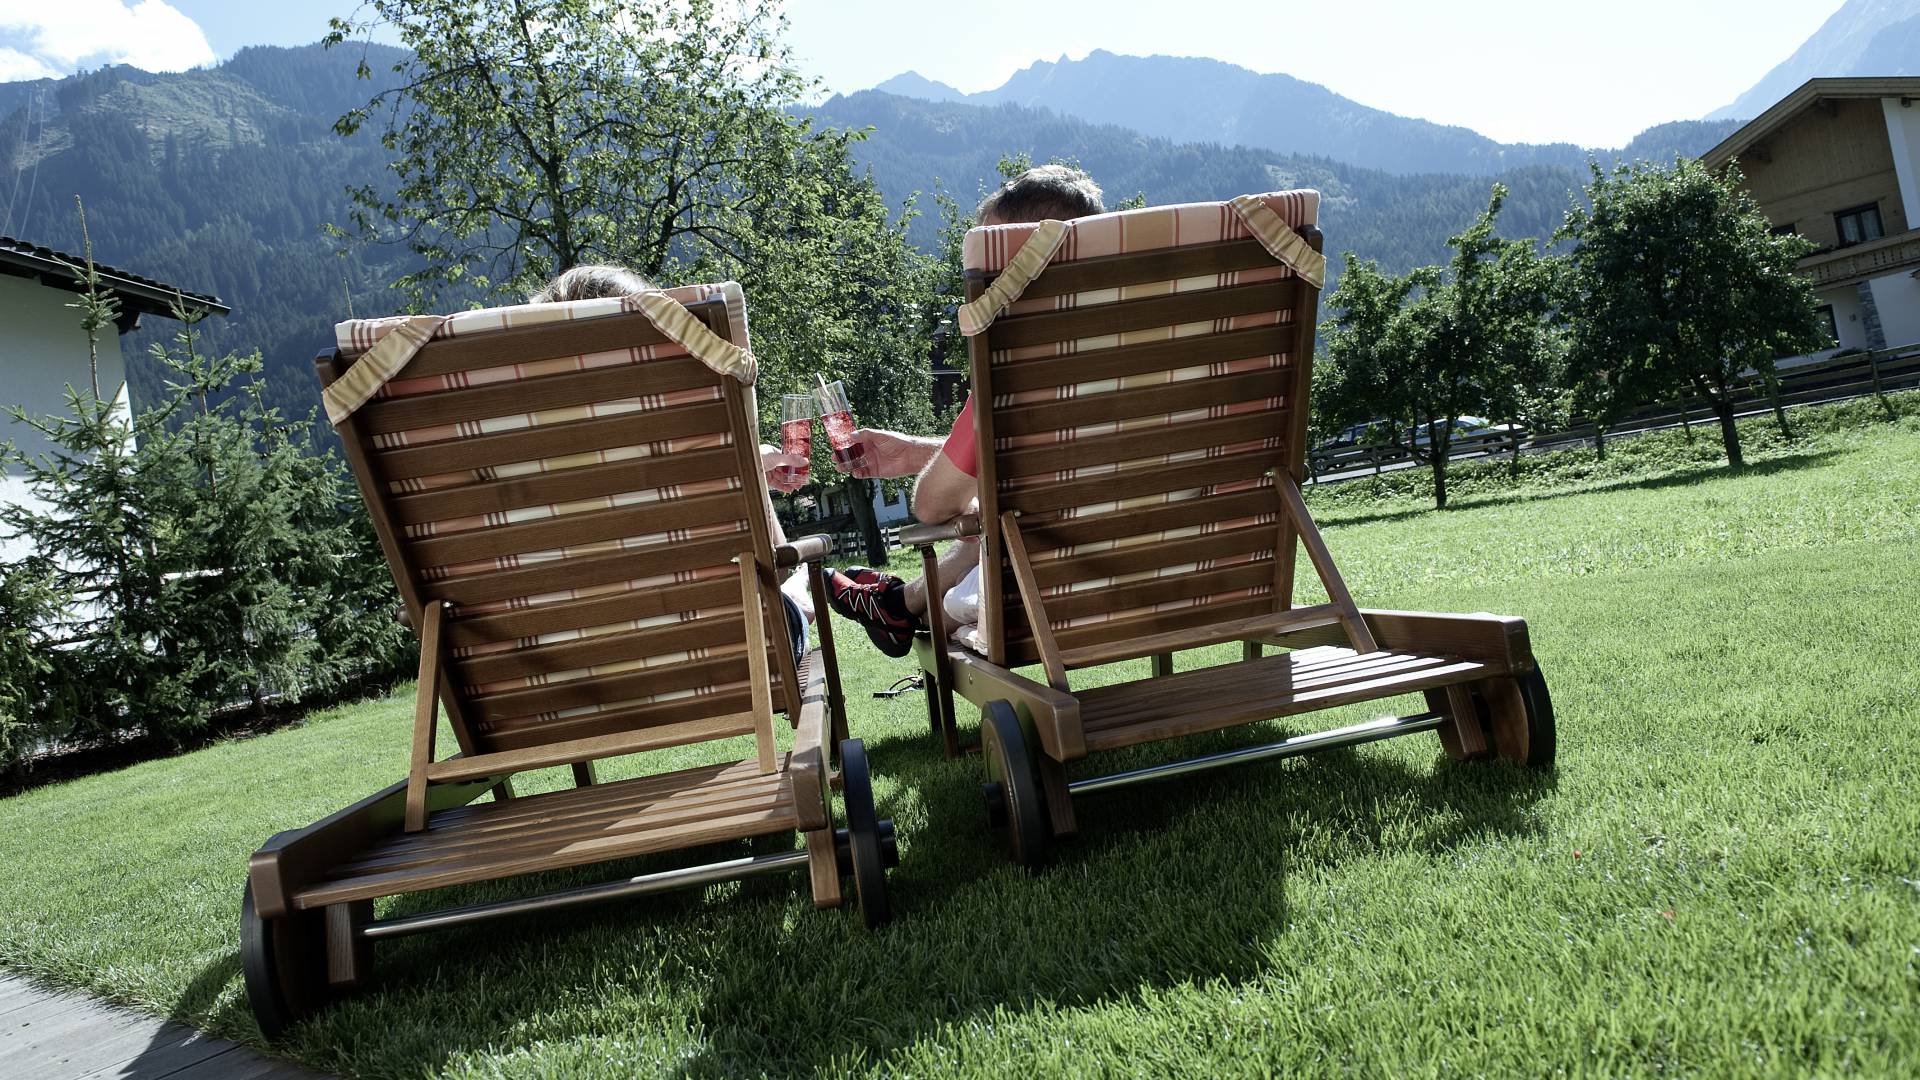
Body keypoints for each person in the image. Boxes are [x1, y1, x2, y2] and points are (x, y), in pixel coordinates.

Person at [822, 165, 1107, 657]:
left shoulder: (1017, 363)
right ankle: (896, 603)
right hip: (1188, 574)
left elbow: (932, 507)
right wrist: (917, 451)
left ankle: (897, 603)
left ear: (1021, 261)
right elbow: (1035, 456)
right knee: (1001, 517)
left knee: (982, 541)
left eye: (990, 262)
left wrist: (935, 471)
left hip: (1053, 593)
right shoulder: (1161, 340)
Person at [529, 265, 813, 663]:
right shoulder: (693, 432)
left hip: (563, 670)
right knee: (796, 590)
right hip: (729, 654)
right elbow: (776, 566)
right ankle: (805, 601)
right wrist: (745, 469)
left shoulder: (523, 469)